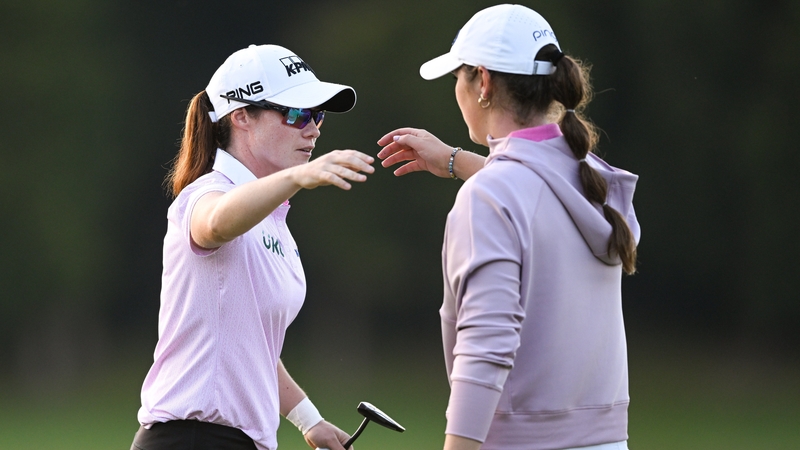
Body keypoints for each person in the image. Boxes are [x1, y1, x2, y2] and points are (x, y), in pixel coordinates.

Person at [377, 5, 640, 450]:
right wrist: (457, 161)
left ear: (482, 82)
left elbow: (485, 350)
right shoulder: (589, 177)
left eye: (458, 77)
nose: (455, 91)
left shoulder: (490, 197)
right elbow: (536, 189)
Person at [131, 44, 374, 450]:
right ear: (240, 115)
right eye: (296, 113)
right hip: (191, 439)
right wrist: (299, 177)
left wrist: (309, 420)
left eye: (317, 115)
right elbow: (215, 223)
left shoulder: (272, 218)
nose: (312, 128)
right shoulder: (207, 193)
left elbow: (251, 343)